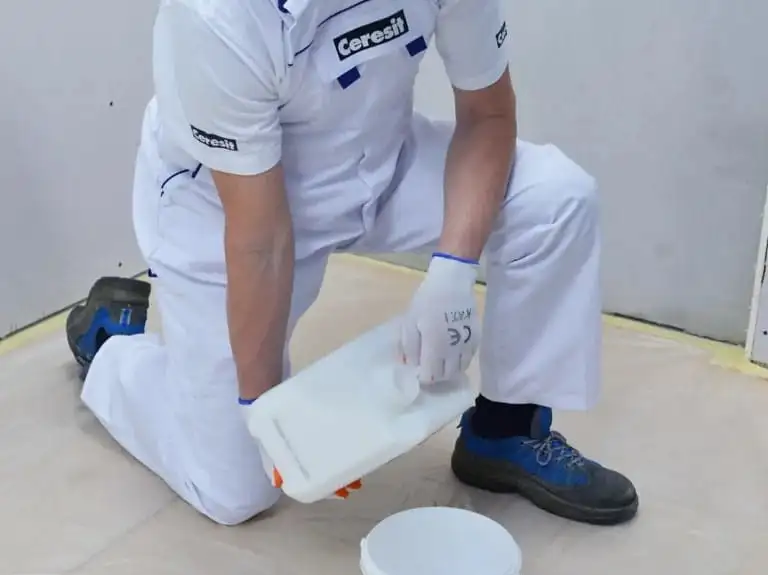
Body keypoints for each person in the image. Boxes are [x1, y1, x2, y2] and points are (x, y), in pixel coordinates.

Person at [66, 0, 639, 527]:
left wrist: (453, 269)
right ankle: (112, 350)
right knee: (235, 491)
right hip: (223, 210)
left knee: (555, 199)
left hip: (377, 165)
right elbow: (261, 240)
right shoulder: (218, 17)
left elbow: (487, 116)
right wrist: (268, 415)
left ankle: (503, 431)